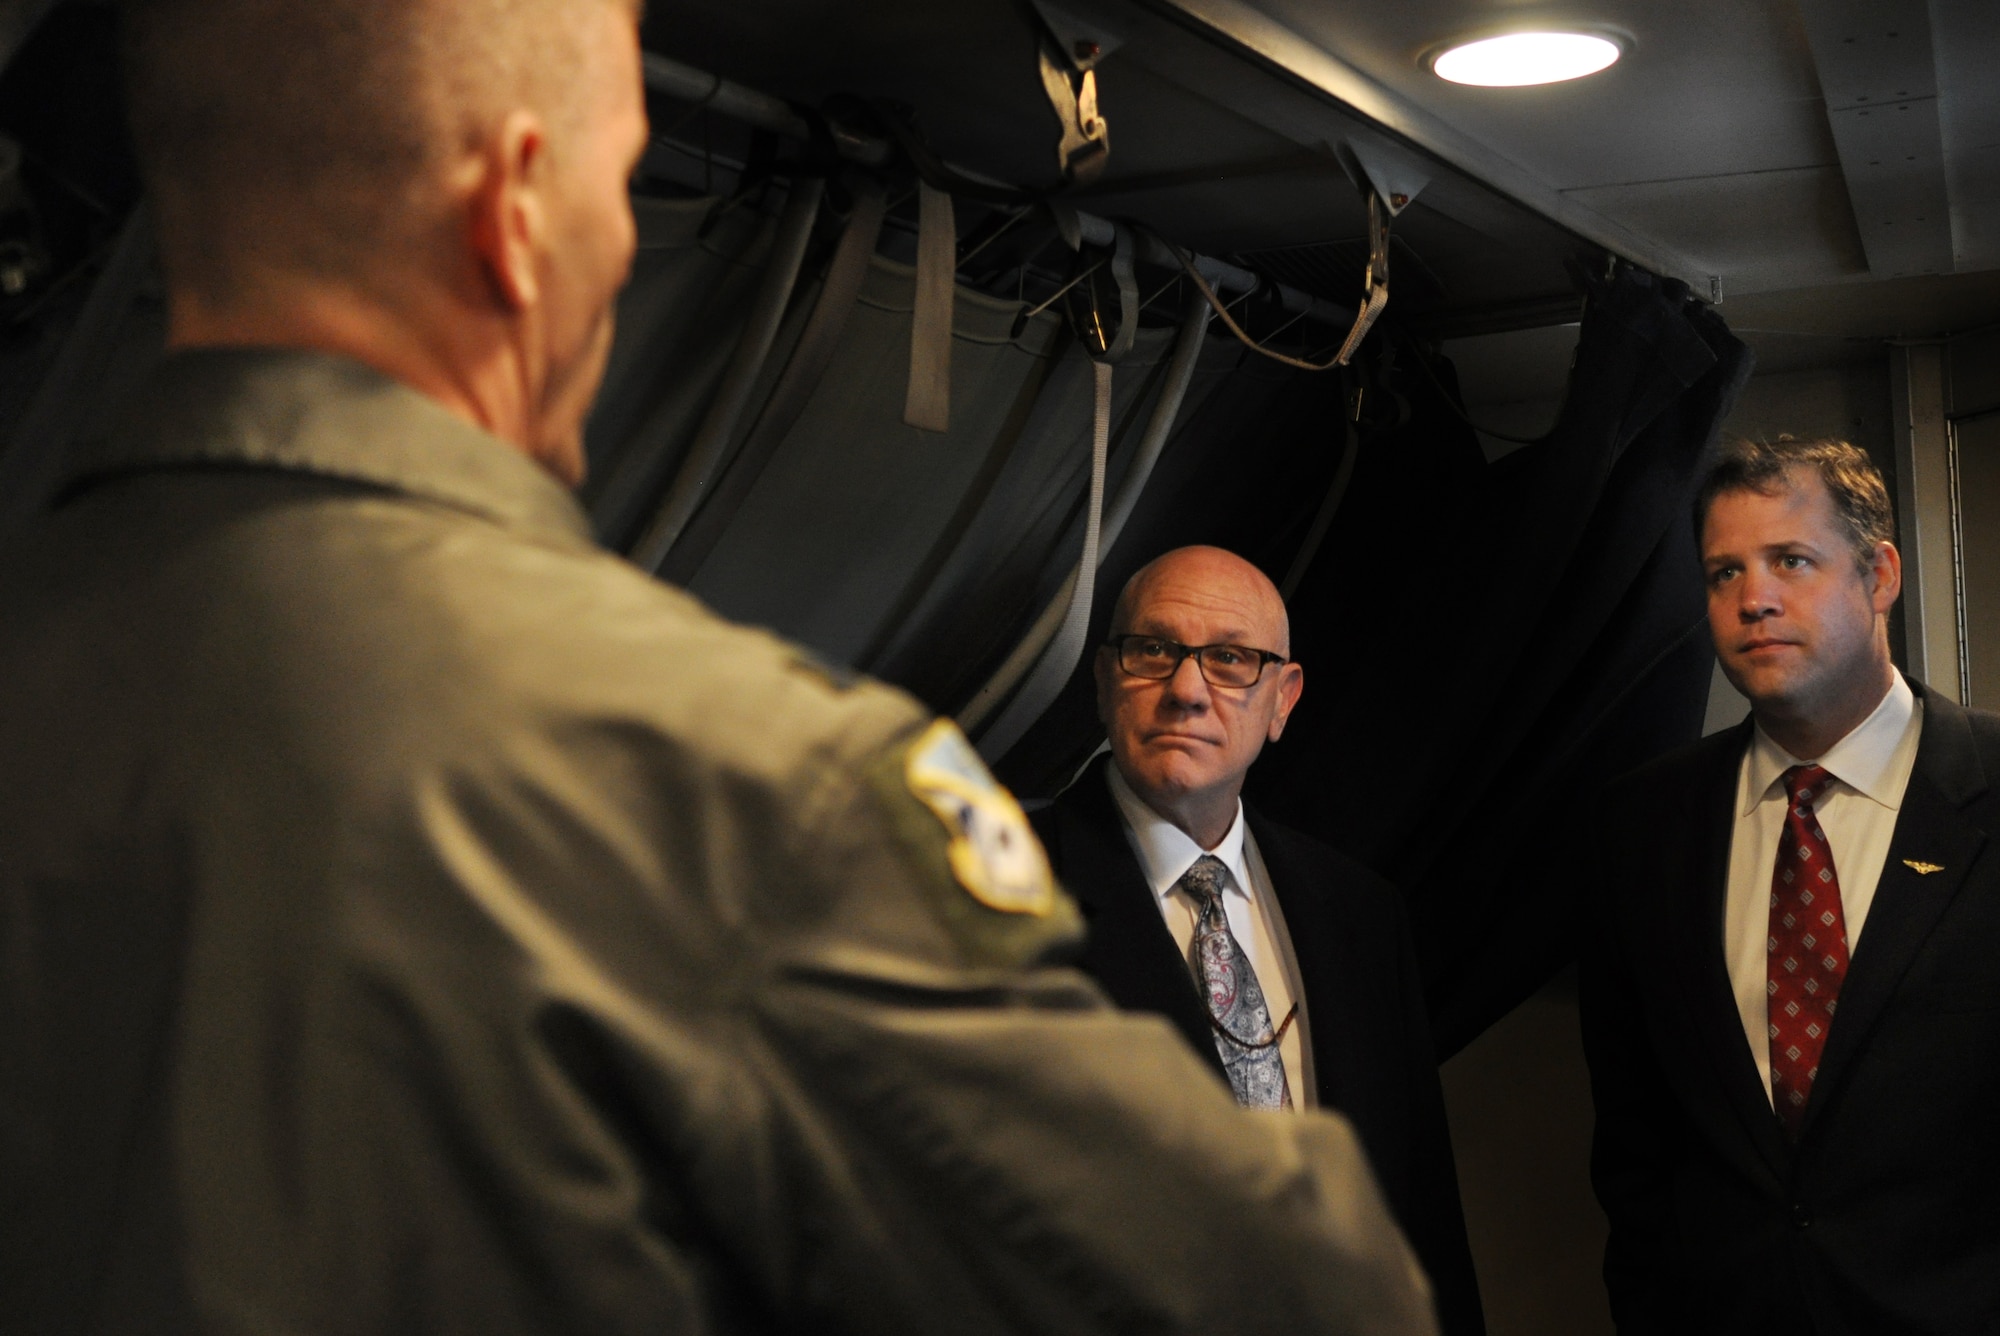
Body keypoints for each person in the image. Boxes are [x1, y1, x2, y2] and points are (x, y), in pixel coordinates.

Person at [0, 2, 1444, 1333]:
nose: (621, 256)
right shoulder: (737, 783)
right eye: (616, 183)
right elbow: (1311, 1292)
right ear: (512, 208)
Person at [1580, 436, 2000, 1334]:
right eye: (1724, 572)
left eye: (1790, 561)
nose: (1753, 599)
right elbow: (1633, 1143)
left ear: (1880, 574)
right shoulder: (1641, 829)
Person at [1029, 546, 1485, 1336]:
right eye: (1154, 651)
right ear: (1105, 679)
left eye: (1231, 659)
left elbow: (1422, 1216)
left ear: (1282, 701)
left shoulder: (1359, 915)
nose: (1186, 690)